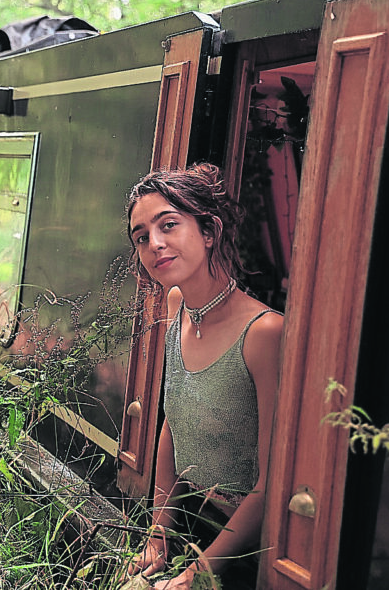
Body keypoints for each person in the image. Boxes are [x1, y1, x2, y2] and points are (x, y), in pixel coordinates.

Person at [124, 163, 284, 589]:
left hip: (250, 552)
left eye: (169, 225)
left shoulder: (265, 333)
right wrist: (158, 535)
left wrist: (201, 572)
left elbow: (270, 485)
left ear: (209, 232)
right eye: (142, 237)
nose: (155, 244)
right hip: (192, 525)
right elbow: (173, 426)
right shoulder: (177, 306)